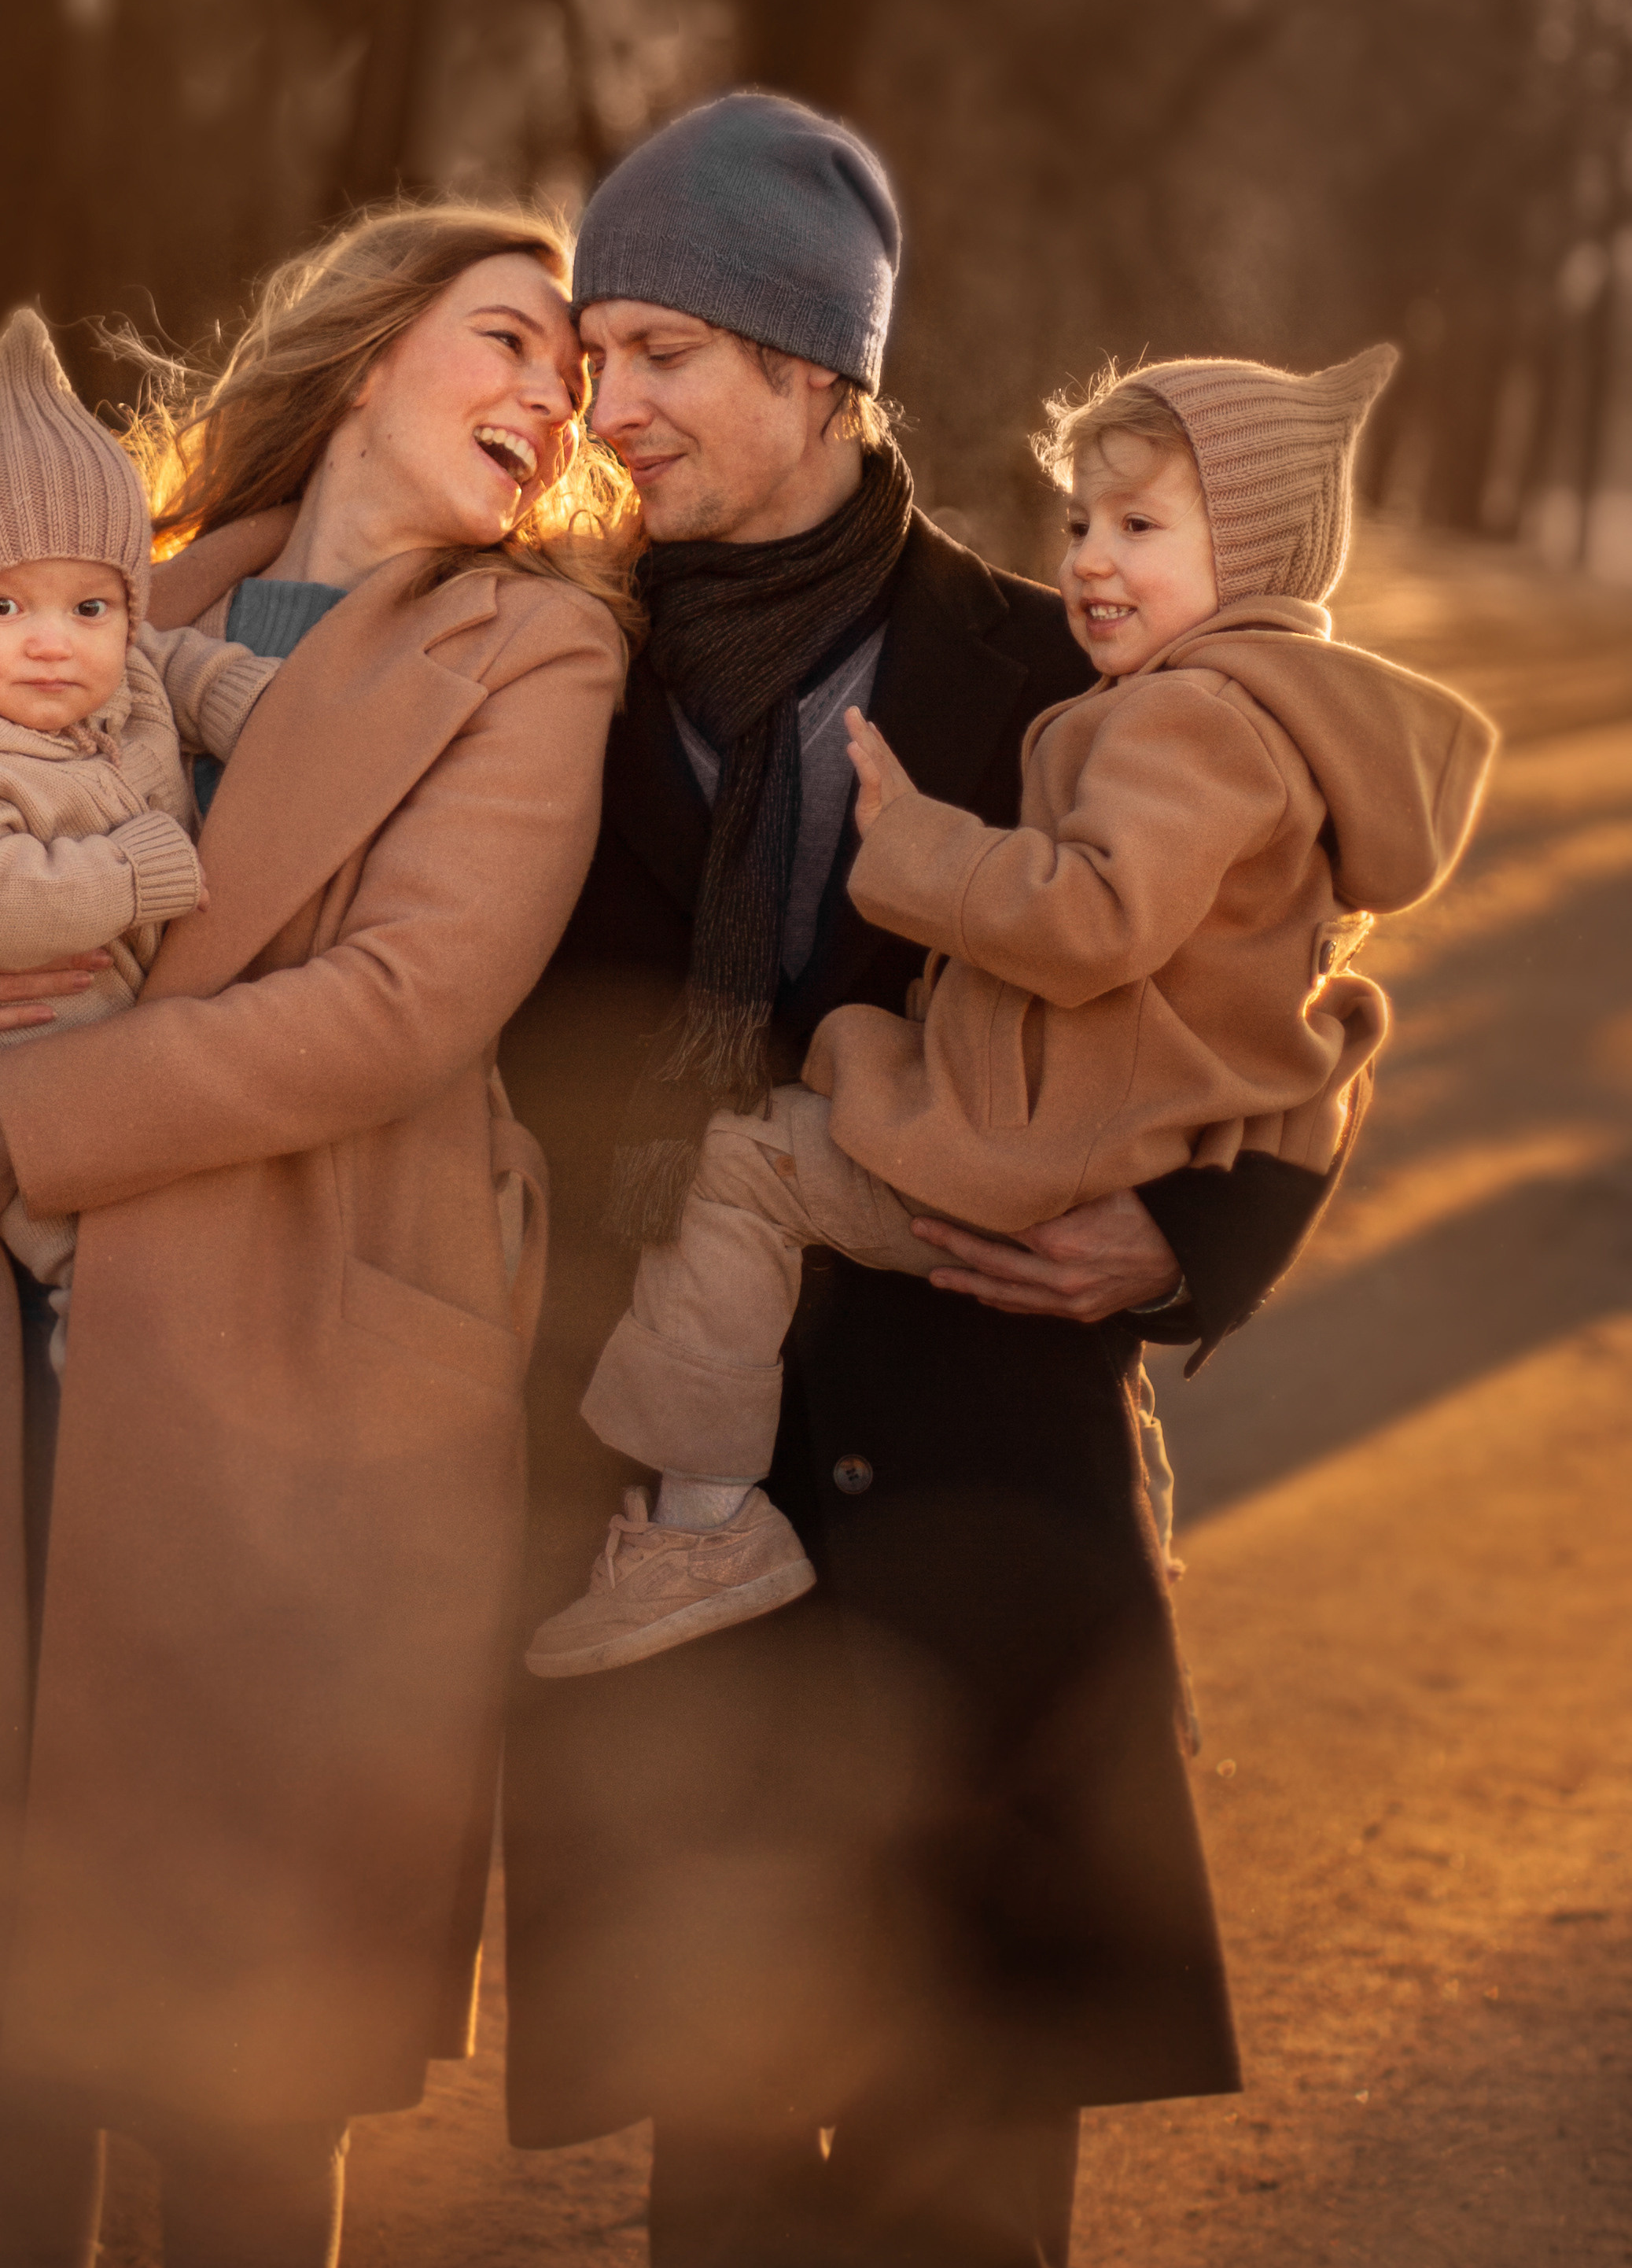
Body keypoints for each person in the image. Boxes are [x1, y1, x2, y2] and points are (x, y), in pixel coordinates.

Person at [495, 90, 1386, 2268]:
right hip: (680, 1523)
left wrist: (1190, 1251)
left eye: (663, 352)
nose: (612, 406)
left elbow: (1294, 986)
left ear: (818, 367)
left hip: (983, 1508)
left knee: (970, 2221)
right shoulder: (550, 668)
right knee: (718, 2219)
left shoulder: (1058, 667)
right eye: (594, 355)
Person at [0, 202, 636, 2268]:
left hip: (298, 1375)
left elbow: (404, 999)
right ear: (369, 351)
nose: (549, 399)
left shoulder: (534, 653)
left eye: (571, 380)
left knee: (250, 2051)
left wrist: (25, 1121)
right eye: (507, 340)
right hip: (2, 1366)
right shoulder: (122, 583)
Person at [525, 343, 1495, 1676]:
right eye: (1083, 523)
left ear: (810, 362)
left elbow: (1158, 948)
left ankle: (698, 1522)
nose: (1092, 558)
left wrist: (1194, 1237)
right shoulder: (1207, 706)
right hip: (1010, 1143)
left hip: (1005, 1317)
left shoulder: (1157, 707)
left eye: (1141, 527)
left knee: (743, 1159)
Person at [0, 304, 282, 1376]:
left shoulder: (117, 669)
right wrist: (135, 871)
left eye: (89, 606)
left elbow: (170, 663)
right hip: (6, 1037)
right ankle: (87, 1312)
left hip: (117, 1039)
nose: (51, 643)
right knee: (79, 1219)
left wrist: (247, 698)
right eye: (4, 606)